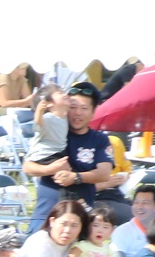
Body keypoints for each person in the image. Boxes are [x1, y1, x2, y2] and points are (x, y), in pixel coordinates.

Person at [26, 83, 112, 224]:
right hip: (45, 213)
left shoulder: (99, 139)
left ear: (94, 111)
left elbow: (104, 173)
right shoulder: (52, 131)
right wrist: (50, 169)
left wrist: (75, 177)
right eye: (73, 107)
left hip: (78, 217)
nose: (78, 113)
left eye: (84, 108)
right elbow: (27, 167)